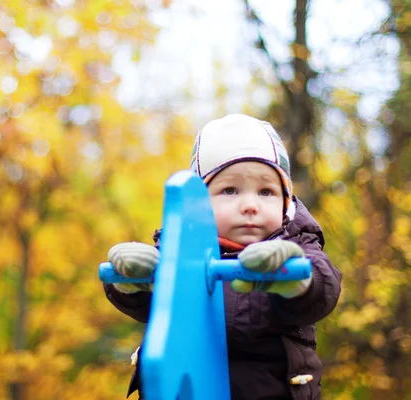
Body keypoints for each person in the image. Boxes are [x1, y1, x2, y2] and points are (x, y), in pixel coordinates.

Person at [103, 114, 342, 400]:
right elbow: (152, 308)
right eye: (230, 190)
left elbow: (324, 283)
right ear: (201, 202)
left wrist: (296, 282)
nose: (251, 205)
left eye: (266, 191)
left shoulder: (296, 245)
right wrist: (132, 282)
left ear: (285, 202)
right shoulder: (181, 250)